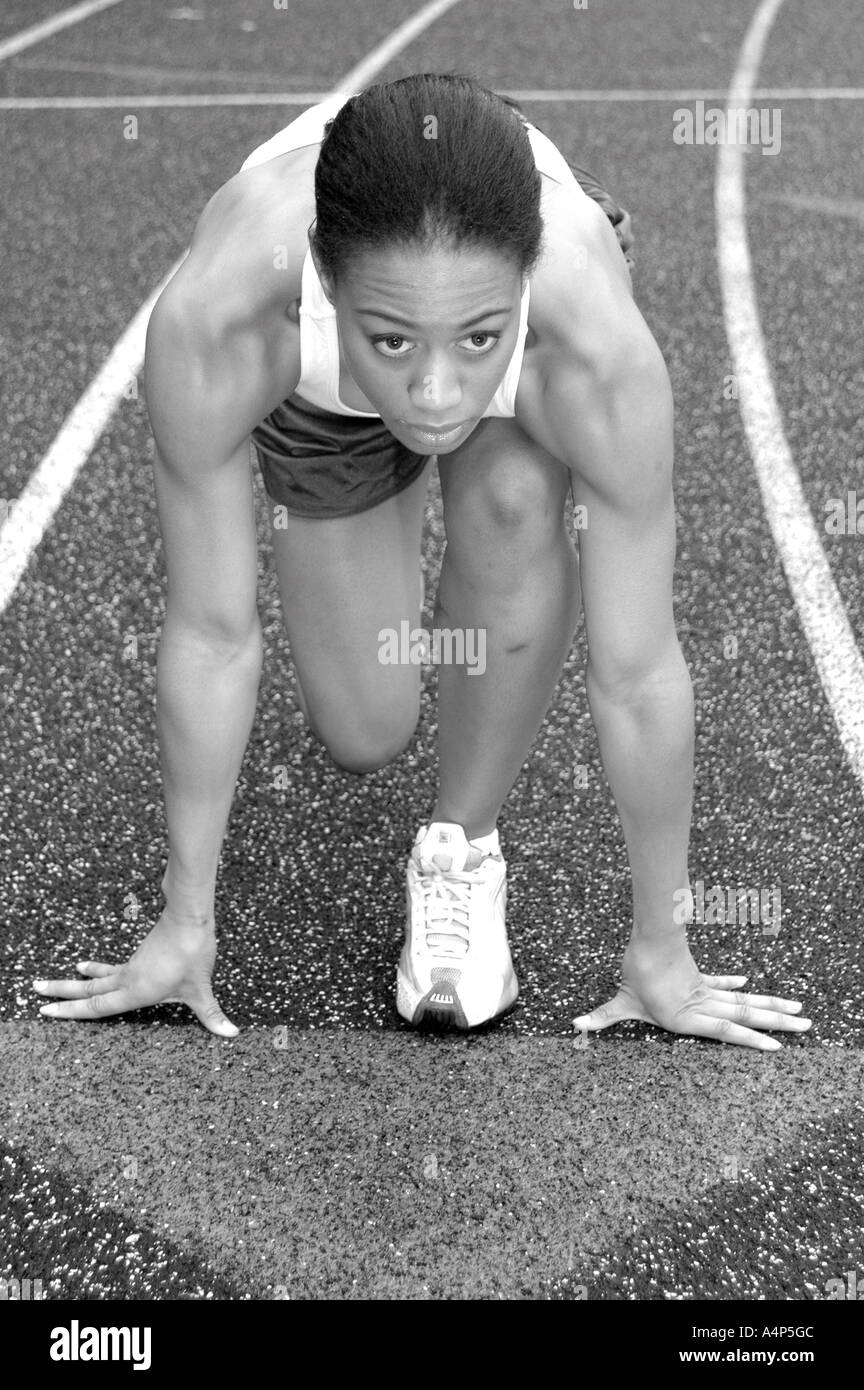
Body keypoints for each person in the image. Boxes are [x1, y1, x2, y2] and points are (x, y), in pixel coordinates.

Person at [34, 74, 809, 1051]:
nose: (438, 394)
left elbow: (639, 669)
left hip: (529, 366)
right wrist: (184, 922)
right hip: (323, 397)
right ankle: (402, 364)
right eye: (392, 337)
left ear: (523, 278)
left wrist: (664, 947)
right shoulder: (222, 319)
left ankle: (461, 847)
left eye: (475, 338)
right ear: (322, 272)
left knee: (518, 494)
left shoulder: (590, 342)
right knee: (364, 729)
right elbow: (213, 632)